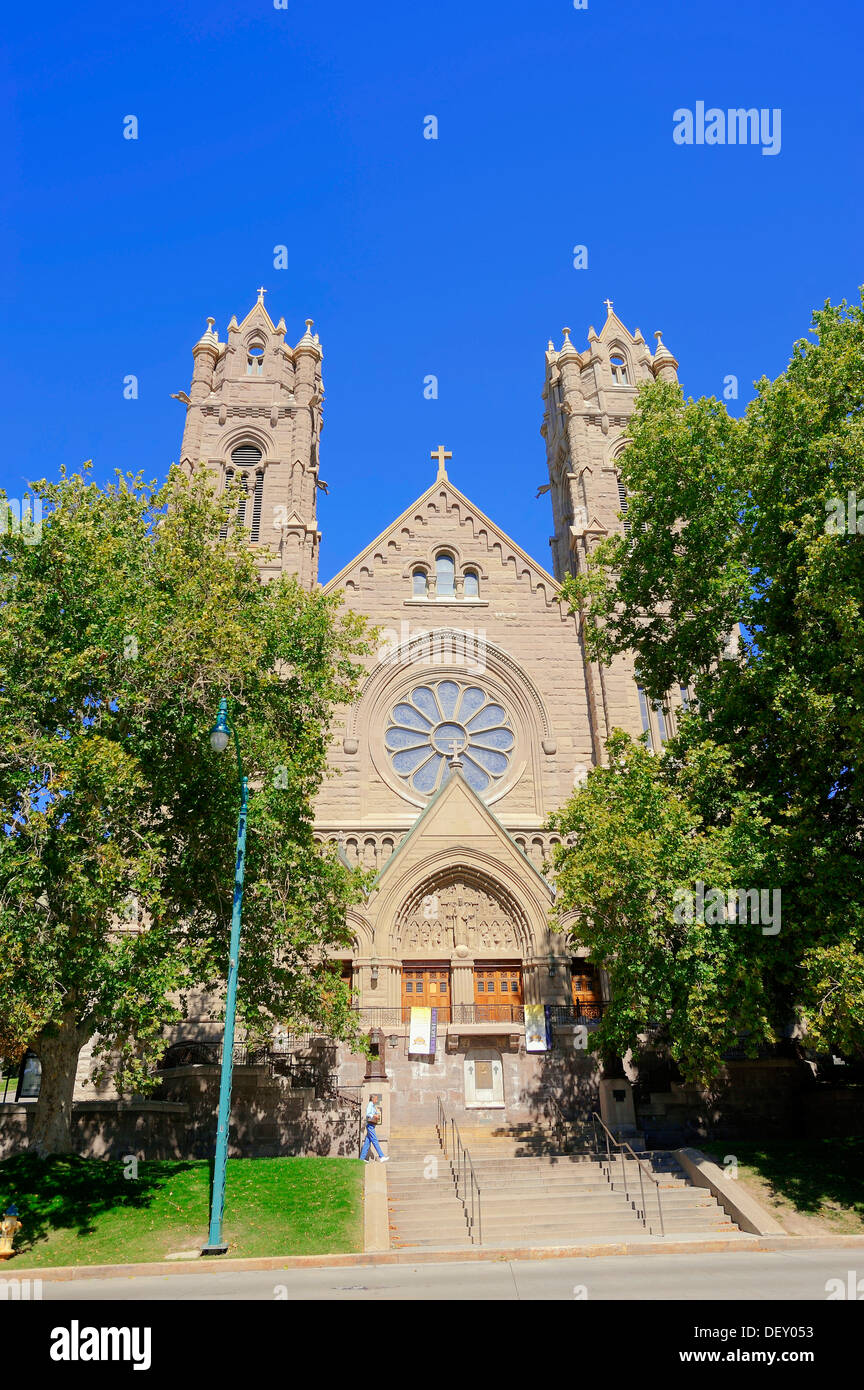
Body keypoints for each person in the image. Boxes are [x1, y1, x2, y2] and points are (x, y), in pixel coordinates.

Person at [360, 1093, 389, 1162]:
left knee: (367, 1142)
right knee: (375, 1140)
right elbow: (368, 1114)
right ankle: (381, 1156)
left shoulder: (372, 1105)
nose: (376, 1100)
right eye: (375, 1098)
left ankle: (361, 1159)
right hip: (370, 1125)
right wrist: (374, 1115)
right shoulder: (370, 1104)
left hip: (371, 1125)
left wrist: (376, 1114)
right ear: (372, 1099)